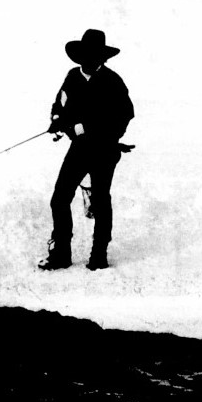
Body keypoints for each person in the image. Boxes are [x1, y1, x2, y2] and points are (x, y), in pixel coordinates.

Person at [39, 29, 134, 271]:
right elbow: (60, 103)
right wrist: (58, 121)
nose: (90, 61)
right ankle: (61, 253)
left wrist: (88, 128)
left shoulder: (113, 82)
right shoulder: (72, 77)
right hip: (79, 149)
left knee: (101, 202)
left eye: (95, 57)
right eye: (85, 57)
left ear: (103, 58)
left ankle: (99, 254)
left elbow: (124, 116)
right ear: (79, 57)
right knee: (59, 199)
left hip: (104, 150)